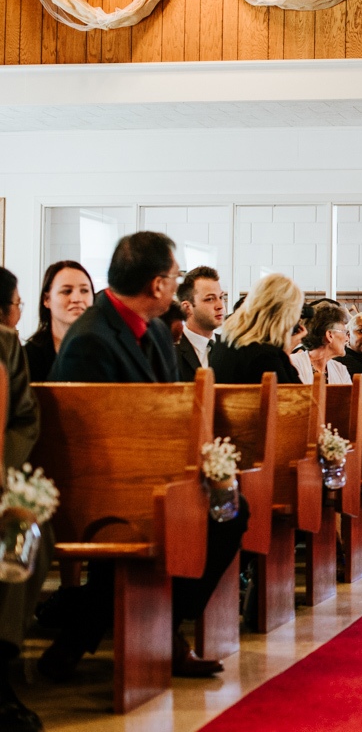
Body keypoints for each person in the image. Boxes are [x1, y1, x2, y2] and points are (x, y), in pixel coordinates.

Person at [41, 232, 248, 680]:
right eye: (174, 278)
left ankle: (151, 622)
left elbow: (171, 411)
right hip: (102, 485)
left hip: (152, 474)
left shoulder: (154, 330)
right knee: (208, 515)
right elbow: (88, 440)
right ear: (157, 285)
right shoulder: (91, 339)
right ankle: (137, 627)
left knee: (231, 507)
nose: (177, 288)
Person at [0, 278, 41, 732]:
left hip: (6, 476)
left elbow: (22, 419)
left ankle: (1, 668)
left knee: (21, 527)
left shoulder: (6, 345)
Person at [210, 274, 304, 385]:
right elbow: (297, 397)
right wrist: (285, 352)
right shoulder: (266, 357)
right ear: (285, 315)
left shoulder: (222, 345)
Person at [23, 261, 94, 382]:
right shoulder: (27, 356)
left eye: (84, 290)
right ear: (47, 299)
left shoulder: (107, 348)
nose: (77, 299)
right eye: (66, 291)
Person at [175, 266, 226, 382]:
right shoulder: (171, 350)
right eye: (209, 299)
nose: (220, 306)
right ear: (187, 308)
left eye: (221, 297)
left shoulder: (230, 348)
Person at [291, 302, 353, 385]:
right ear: (329, 335)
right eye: (345, 332)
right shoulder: (293, 363)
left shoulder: (340, 369)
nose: (347, 339)